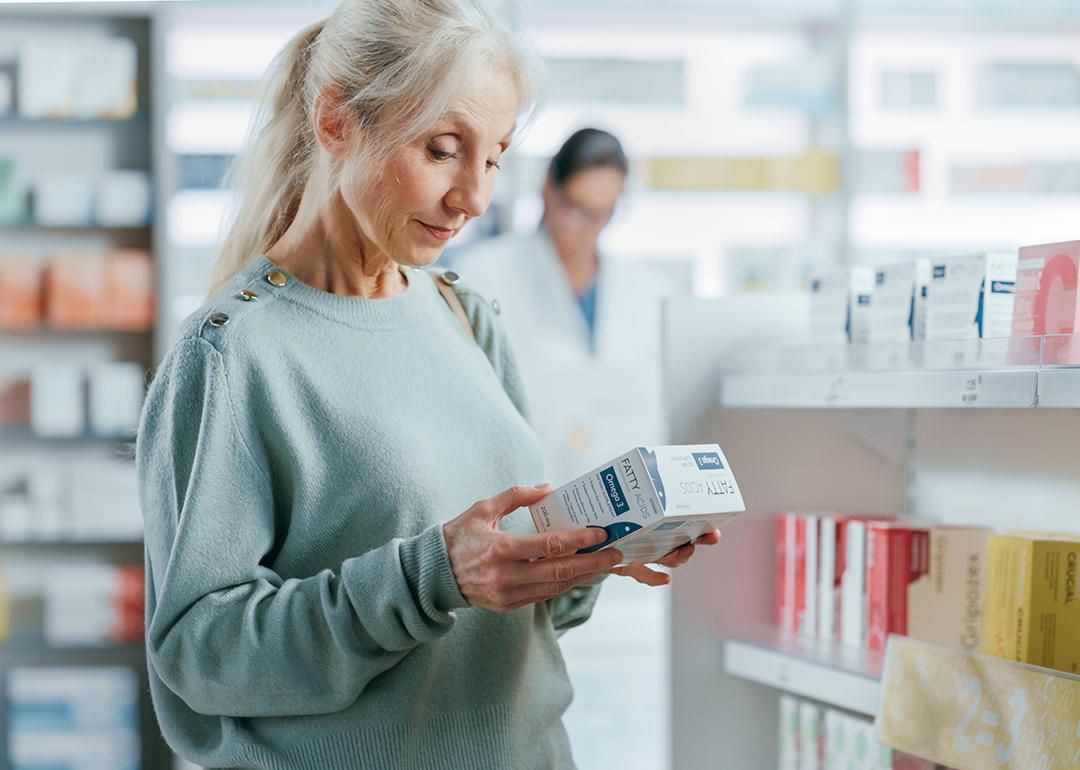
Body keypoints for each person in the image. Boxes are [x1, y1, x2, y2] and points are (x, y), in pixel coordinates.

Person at [136, 2, 718, 769]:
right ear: (337, 120)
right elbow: (198, 657)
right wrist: (428, 577)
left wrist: (591, 551)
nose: (474, 198)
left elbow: (501, 605)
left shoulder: (464, 314)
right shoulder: (232, 355)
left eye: (495, 157)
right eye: (443, 150)